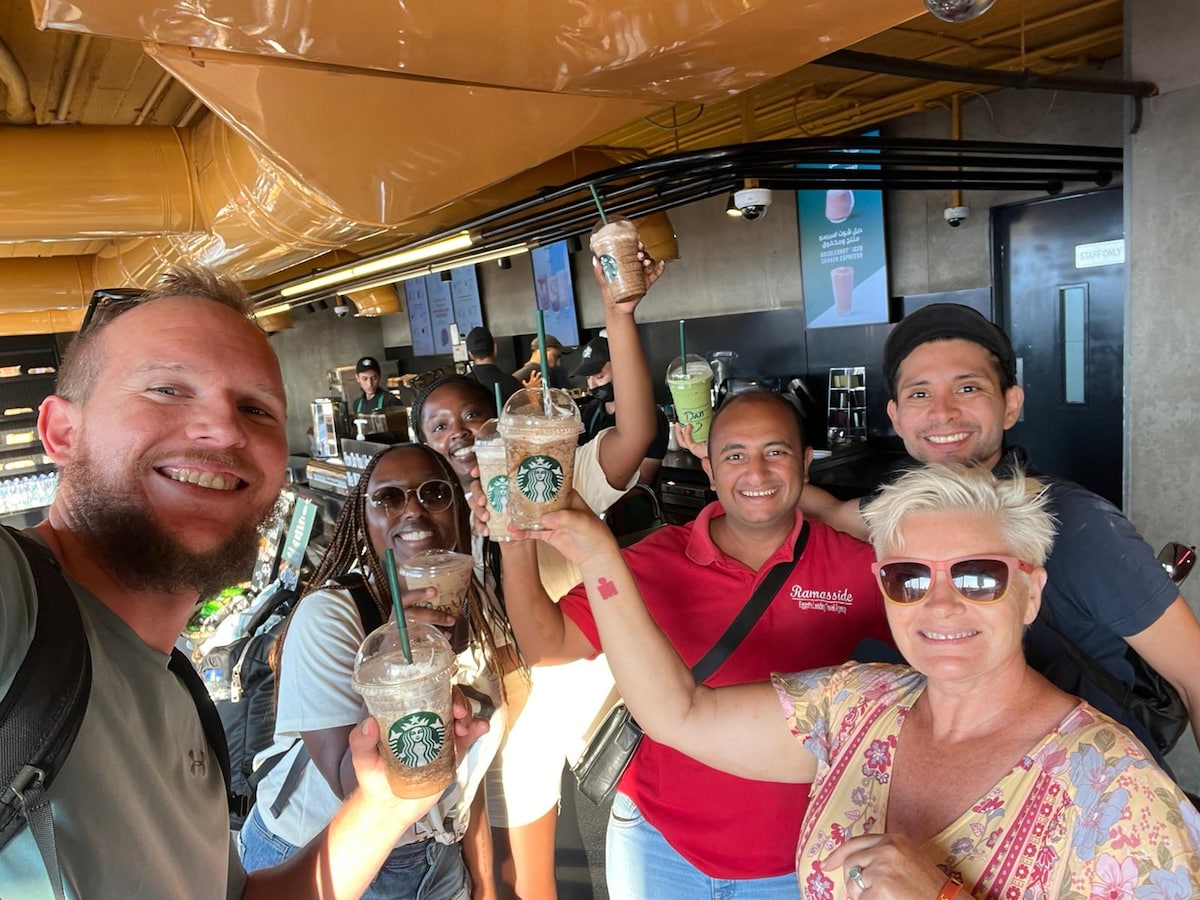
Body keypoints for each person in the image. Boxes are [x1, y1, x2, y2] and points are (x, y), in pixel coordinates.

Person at [0, 266, 486, 899]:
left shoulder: (178, 699)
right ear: (62, 432)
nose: (227, 430)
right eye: (168, 390)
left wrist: (385, 804)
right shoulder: (17, 605)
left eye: (256, 409)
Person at [523, 464, 1200, 900]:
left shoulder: (1115, 788)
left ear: (1031, 592)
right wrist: (597, 555)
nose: (941, 605)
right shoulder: (858, 704)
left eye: (978, 576)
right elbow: (680, 714)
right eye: (910, 578)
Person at [486, 390, 891, 898]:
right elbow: (547, 645)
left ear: (806, 463)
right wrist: (513, 543)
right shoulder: (653, 559)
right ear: (710, 470)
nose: (756, 472)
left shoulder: (857, 565)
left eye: (776, 452)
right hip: (656, 842)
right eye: (735, 455)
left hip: (800, 856)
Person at [778, 303, 1200, 766]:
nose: (943, 412)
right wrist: (740, 470)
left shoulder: (1078, 524)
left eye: (968, 387)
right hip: (975, 781)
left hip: (1093, 784)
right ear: (896, 417)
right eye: (920, 394)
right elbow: (832, 513)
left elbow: (1193, 674)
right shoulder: (914, 513)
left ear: (1010, 404)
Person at [418, 248, 665, 900]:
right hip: (487, 714)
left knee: (547, 876)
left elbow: (635, 434)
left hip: (575, 704)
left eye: (473, 416)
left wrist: (618, 314)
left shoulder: (550, 474)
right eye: (439, 426)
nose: (459, 432)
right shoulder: (431, 522)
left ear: (501, 422)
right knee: (494, 876)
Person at [240, 443, 516, 899]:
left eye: (434, 493)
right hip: (322, 855)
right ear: (363, 520)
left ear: (458, 510)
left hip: (437, 854)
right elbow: (351, 785)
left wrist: (484, 880)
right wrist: (395, 658)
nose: (414, 510)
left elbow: (470, 763)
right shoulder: (330, 616)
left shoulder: (479, 602)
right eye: (388, 498)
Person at [572, 332, 671, 486]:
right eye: (588, 378)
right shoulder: (588, 413)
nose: (592, 385)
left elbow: (643, 480)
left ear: (621, 372)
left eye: (599, 376)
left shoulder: (649, 416)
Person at [465, 327, 522, 405]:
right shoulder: (511, 384)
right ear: (495, 349)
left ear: (470, 354)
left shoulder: (463, 385)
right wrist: (527, 392)